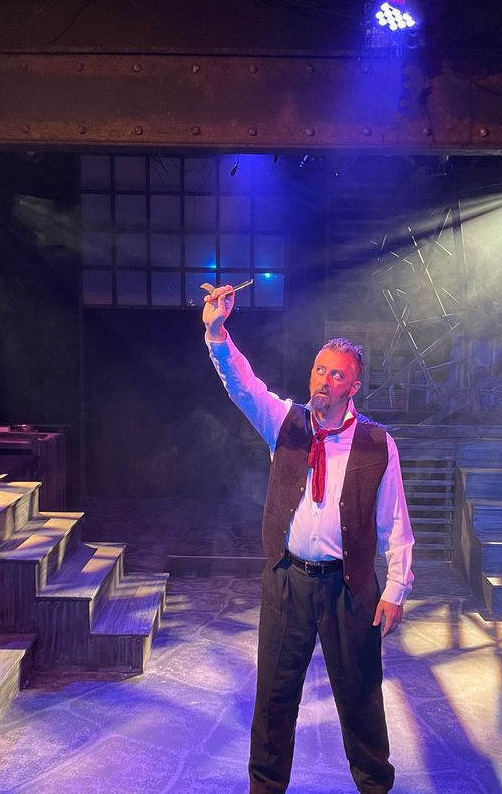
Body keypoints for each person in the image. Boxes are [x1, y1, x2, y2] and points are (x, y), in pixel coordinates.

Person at [201, 283, 414, 794]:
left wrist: (394, 590)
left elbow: (396, 522)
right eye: (320, 368)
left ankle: (374, 786)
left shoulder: (377, 444)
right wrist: (216, 332)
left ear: (353, 386)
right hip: (288, 582)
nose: (324, 379)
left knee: (361, 698)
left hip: (349, 587)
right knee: (274, 699)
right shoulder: (286, 423)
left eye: (336, 373)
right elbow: (243, 384)